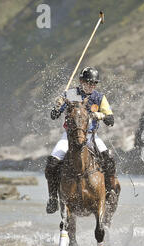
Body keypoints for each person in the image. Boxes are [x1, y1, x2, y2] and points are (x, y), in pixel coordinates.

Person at [44, 66, 118, 214]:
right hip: (69, 137)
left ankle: (110, 192)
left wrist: (101, 116)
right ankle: (53, 198)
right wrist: (57, 106)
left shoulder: (99, 97)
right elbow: (54, 115)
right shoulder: (70, 94)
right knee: (52, 163)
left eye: (94, 83)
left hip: (91, 136)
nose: (91, 86)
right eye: (88, 83)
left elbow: (111, 120)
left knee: (109, 157)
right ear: (81, 81)